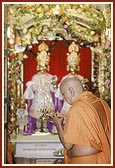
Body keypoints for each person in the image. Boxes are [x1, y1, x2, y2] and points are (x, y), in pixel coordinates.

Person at [51, 75, 111, 164]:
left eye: (63, 94)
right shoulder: (100, 103)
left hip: (86, 161)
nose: (63, 98)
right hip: (102, 159)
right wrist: (68, 119)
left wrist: (58, 125)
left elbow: (68, 145)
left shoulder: (77, 108)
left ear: (71, 91)